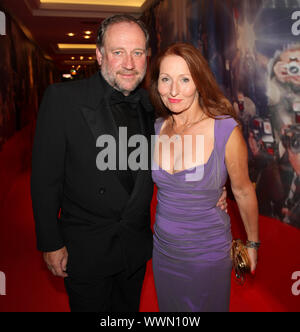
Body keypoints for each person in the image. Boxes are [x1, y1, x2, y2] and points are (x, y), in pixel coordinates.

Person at [31, 15, 227, 312]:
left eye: (137, 53)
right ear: (99, 55)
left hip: (134, 247)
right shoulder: (62, 99)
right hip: (85, 248)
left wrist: (213, 189)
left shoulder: (157, 106)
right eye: (118, 52)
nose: (129, 63)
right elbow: (45, 179)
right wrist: (50, 242)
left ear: (147, 57)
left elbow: (192, 144)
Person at [149, 43, 260, 312]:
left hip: (207, 255)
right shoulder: (158, 127)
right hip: (163, 252)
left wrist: (252, 243)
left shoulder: (224, 130)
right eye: (166, 79)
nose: (173, 91)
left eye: (184, 79)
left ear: (199, 82)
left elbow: (244, 191)